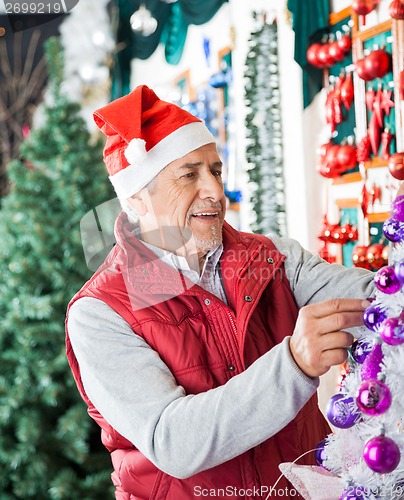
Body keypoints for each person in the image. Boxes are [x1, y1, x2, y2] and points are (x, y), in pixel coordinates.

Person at [66, 85, 377, 499]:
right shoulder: (101, 312)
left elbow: (373, 302)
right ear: (137, 197)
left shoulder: (274, 258)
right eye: (190, 174)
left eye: (215, 170)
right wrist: (294, 365)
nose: (214, 189)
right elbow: (173, 441)